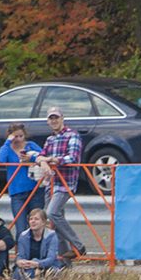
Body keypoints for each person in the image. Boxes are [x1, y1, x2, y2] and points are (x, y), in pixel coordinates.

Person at [34, 106, 86, 260]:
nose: (54, 120)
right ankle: (64, 259)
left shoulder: (73, 135)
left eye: (56, 117)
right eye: (51, 118)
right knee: (54, 220)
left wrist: (53, 160)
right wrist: (44, 162)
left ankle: (78, 245)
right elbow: (40, 156)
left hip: (65, 182)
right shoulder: (50, 139)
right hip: (51, 183)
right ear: (48, 121)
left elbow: (73, 157)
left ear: (62, 118)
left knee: (51, 213)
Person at [0, 123, 45, 227]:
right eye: (15, 136)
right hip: (17, 192)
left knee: (36, 225)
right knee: (21, 226)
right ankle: (22, 243)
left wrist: (31, 158)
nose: (18, 139)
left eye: (21, 136)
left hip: (35, 190)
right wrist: (8, 142)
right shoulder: (7, 148)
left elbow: (43, 157)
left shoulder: (30, 145)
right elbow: (0, 159)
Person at [12, 208, 63, 280]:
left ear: (43, 222)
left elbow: (51, 258)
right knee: (18, 271)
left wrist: (37, 263)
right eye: (31, 219)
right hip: (28, 266)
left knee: (49, 271)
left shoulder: (52, 236)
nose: (33, 221)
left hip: (47, 267)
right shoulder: (23, 236)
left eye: (36, 219)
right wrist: (19, 261)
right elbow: (20, 255)